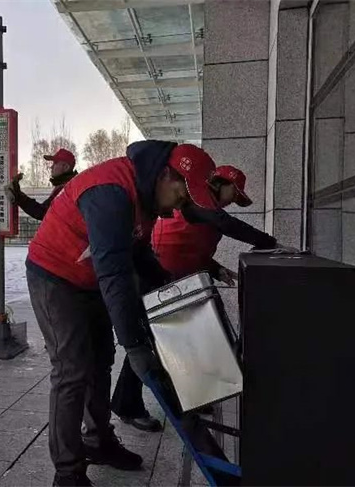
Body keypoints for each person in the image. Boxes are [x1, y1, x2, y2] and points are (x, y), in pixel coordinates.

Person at [26, 140, 275, 486]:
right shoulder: (111, 192)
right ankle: (67, 473)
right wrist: (135, 344)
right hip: (54, 276)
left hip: (88, 278)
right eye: (182, 195)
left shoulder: (147, 197)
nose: (180, 206)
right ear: (166, 176)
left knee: (101, 361)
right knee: (72, 370)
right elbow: (115, 273)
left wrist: (167, 287)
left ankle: (98, 441)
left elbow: (139, 253)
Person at [110, 165, 259, 431]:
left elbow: (190, 247)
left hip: (177, 278)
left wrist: (216, 269)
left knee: (183, 338)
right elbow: (226, 224)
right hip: (156, 277)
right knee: (152, 342)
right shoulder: (199, 203)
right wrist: (270, 243)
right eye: (233, 193)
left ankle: (188, 395)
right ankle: (127, 405)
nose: (232, 201)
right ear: (220, 183)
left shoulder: (206, 209)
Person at [4, 148, 78, 220]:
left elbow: (43, 212)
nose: (51, 167)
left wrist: (19, 196)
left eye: (55, 163)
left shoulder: (66, 189)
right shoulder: (70, 186)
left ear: (65, 167)